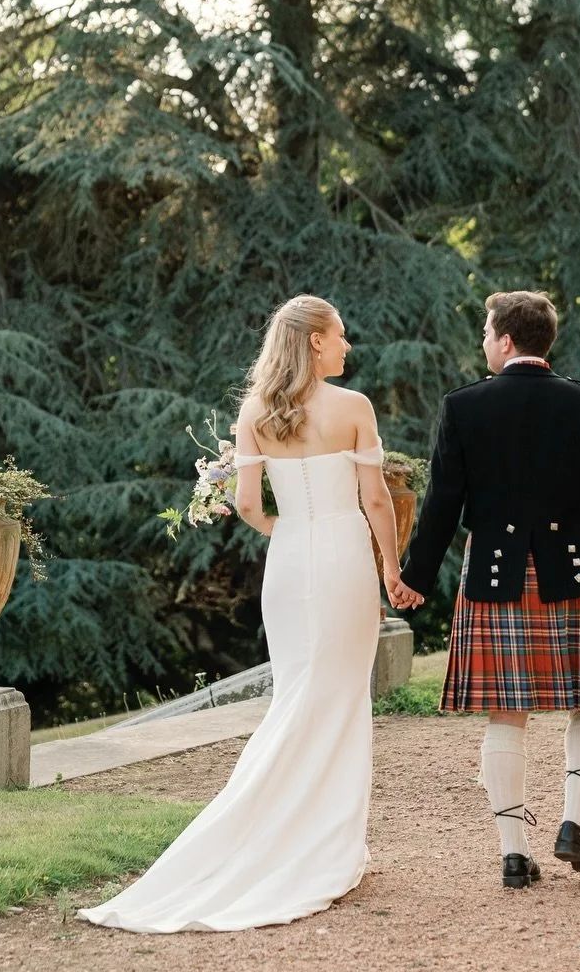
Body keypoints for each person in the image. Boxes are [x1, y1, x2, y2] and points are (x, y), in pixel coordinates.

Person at [80, 294, 415, 933]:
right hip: (344, 559)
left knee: (299, 694)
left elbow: (246, 505)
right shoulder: (354, 409)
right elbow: (376, 500)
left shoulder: (256, 411)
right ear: (315, 341)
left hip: (287, 566)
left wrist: (291, 535)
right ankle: (323, 843)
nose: (348, 346)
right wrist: (390, 572)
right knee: (339, 699)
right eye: (340, 335)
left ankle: (290, 834)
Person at [401, 291, 580, 890]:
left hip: (496, 575)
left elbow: (442, 505)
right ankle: (574, 823)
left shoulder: (465, 406)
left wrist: (414, 577)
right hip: (573, 573)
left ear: (504, 341)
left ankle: (513, 852)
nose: (483, 340)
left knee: (508, 710)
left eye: (485, 331)